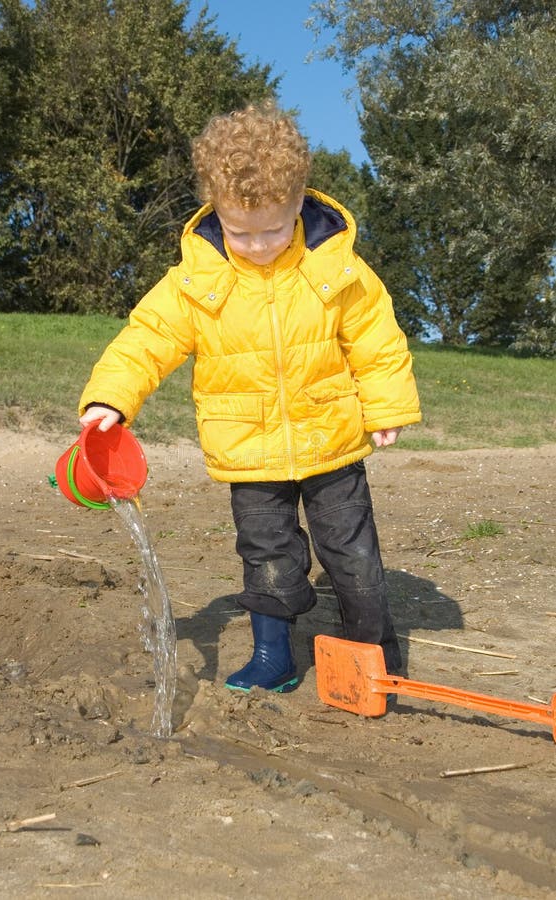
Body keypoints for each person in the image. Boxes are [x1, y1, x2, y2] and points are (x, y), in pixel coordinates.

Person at [79, 102, 421, 694]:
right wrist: (111, 397)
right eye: (241, 232)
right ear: (216, 211)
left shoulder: (333, 266)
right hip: (247, 447)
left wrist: (386, 405)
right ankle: (272, 656)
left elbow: (376, 335)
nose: (259, 246)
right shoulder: (198, 277)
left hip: (332, 440)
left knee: (354, 558)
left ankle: (373, 659)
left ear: (299, 204)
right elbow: (147, 338)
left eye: (274, 229)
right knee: (266, 556)